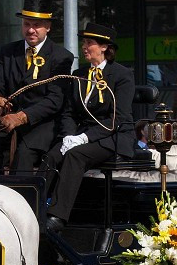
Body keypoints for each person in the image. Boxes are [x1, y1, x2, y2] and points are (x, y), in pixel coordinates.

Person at [44, 23, 136, 231]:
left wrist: (84, 138)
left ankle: (57, 217)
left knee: (76, 155)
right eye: (84, 42)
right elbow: (68, 112)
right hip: (81, 134)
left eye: (90, 43)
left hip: (113, 136)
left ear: (104, 47)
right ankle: (34, 205)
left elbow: (118, 118)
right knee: (52, 155)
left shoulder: (121, 75)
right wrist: (68, 135)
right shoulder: (80, 74)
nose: (84, 47)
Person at [0, 0, 74, 174]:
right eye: (27, 24)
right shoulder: (8, 52)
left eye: (36, 25)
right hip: (7, 121)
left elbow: (55, 100)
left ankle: (24, 201)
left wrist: (21, 117)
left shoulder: (61, 57)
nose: (31, 30)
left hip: (41, 126)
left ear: (48, 27)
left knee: (23, 154)